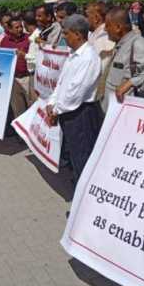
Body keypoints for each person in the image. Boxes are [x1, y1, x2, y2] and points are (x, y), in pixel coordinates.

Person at [46, 14, 103, 184]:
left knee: (83, 160)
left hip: (81, 115)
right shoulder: (73, 55)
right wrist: (52, 102)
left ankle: (85, 203)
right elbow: (62, 83)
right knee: (76, 158)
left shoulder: (88, 58)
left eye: (66, 33)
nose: (63, 36)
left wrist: (56, 110)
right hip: (69, 112)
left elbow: (75, 92)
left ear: (78, 34)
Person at [103, 7, 144, 109]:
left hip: (126, 113)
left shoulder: (137, 44)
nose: (105, 29)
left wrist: (131, 82)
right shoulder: (122, 44)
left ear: (118, 27)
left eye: (107, 26)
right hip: (113, 112)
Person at [0, 17, 31, 121]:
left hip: (28, 78)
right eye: (16, 27)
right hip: (13, 80)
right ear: (9, 29)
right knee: (18, 109)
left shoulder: (29, 39)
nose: (20, 29)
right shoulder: (4, 41)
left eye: (21, 26)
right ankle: (20, 135)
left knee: (32, 108)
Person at [86, 1, 115, 88]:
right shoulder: (95, 35)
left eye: (87, 16)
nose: (85, 19)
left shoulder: (105, 38)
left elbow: (101, 71)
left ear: (96, 18)